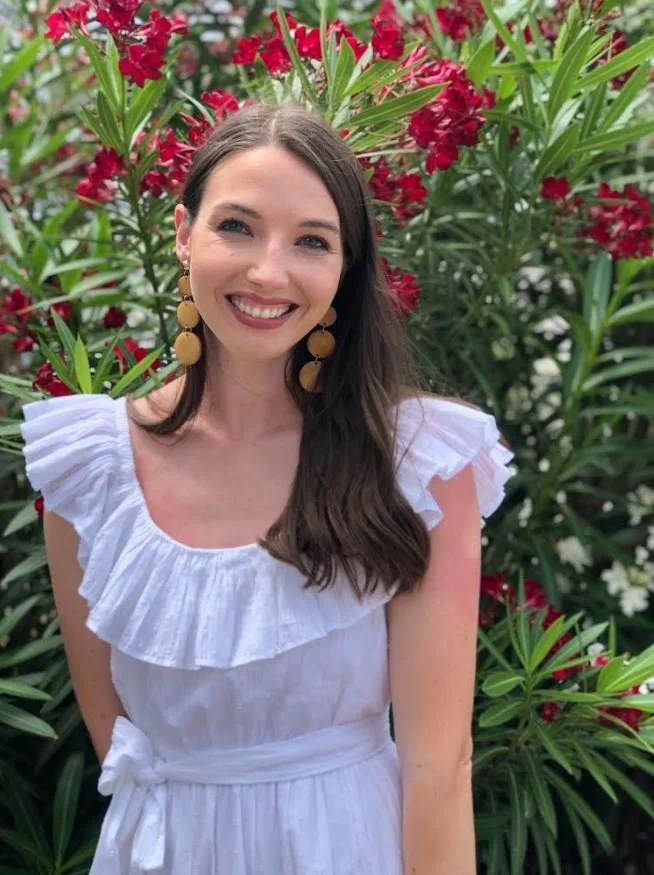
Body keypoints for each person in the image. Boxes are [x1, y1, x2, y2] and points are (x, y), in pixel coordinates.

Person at [20, 101, 515, 875]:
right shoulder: (93, 470)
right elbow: (117, 736)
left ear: (344, 268)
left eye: (311, 241)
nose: (268, 271)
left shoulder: (414, 465)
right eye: (237, 227)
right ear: (184, 235)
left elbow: (438, 768)